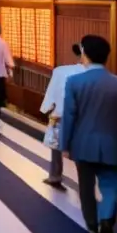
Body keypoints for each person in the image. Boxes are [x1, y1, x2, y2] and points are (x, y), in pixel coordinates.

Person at [60, 34, 117, 233]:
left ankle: (92, 223)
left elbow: (70, 115)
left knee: (85, 185)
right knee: (112, 184)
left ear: (85, 54)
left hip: (83, 143)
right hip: (113, 143)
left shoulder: (74, 82)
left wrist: (64, 144)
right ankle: (107, 218)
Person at [38, 43, 86, 189]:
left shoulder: (60, 71)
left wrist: (46, 108)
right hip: (83, 117)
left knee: (56, 146)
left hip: (61, 114)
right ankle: (84, 181)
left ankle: (55, 176)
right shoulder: (94, 75)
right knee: (81, 150)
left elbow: (52, 94)